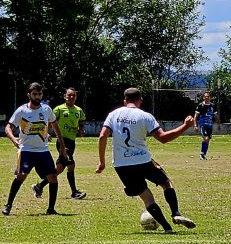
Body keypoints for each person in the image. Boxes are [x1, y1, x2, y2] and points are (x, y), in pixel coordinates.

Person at [96, 87, 196, 233]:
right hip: (143, 161)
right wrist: (185, 126)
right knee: (166, 183)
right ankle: (175, 213)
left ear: (125, 101)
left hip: (121, 164)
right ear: (140, 100)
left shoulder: (113, 115)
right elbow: (163, 138)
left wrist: (102, 162)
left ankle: (167, 228)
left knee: (147, 197)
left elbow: (102, 136)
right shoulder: (145, 116)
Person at [2, 82, 68, 216]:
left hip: (43, 151)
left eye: (39, 94)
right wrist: (15, 141)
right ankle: (8, 205)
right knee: (21, 177)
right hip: (26, 150)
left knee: (53, 178)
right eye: (34, 94)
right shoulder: (22, 111)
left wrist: (61, 145)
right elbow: (8, 127)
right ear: (29, 95)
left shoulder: (46, 110)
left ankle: (51, 209)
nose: (37, 96)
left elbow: (55, 126)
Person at [32, 88, 87, 200]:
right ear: (64, 96)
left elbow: (81, 122)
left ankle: (39, 186)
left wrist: (81, 130)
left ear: (75, 97)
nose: (71, 97)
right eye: (69, 95)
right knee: (71, 164)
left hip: (72, 141)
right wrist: (46, 132)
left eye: (73, 95)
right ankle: (74, 192)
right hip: (62, 141)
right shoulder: (59, 109)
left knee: (60, 168)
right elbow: (48, 121)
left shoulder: (78, 110)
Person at [194, 92, 218, 160]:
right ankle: (202, 154)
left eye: (208, 96)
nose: (207, 98)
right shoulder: (200, 105)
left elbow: (215, 115)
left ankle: (203, 154)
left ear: (210, 97)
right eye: (206, 96)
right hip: (203, 124)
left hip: (210, 125)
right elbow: (196, 117)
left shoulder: (212, 105)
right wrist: (195, 125)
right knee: (206, 138)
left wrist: (218, 123)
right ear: (203, 97)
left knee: (207, 140)